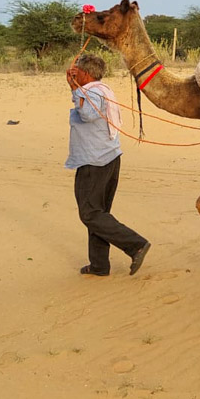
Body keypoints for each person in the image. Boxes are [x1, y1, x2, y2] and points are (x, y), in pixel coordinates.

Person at [65, 54, 150, 277]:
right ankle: (99, 265)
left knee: (90, 214)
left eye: (77, 71)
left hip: (95, 161)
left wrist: (75, 89)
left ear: (84, 73)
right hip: (108, 158)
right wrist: (75, 87)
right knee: (99, 213)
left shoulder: (90, 91)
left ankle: (136, 245)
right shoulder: (102, 89)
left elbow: (87, 114)